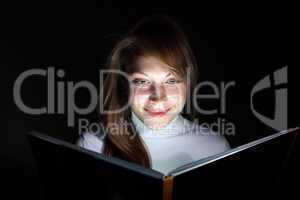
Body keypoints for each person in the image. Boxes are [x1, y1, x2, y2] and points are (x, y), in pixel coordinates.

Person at [77, 14, 230, 175]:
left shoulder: (215, 148)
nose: (158, 96)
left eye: (171, 81)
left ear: (188, 82)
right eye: (142, 82)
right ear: (125, 84)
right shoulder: (93, 145)